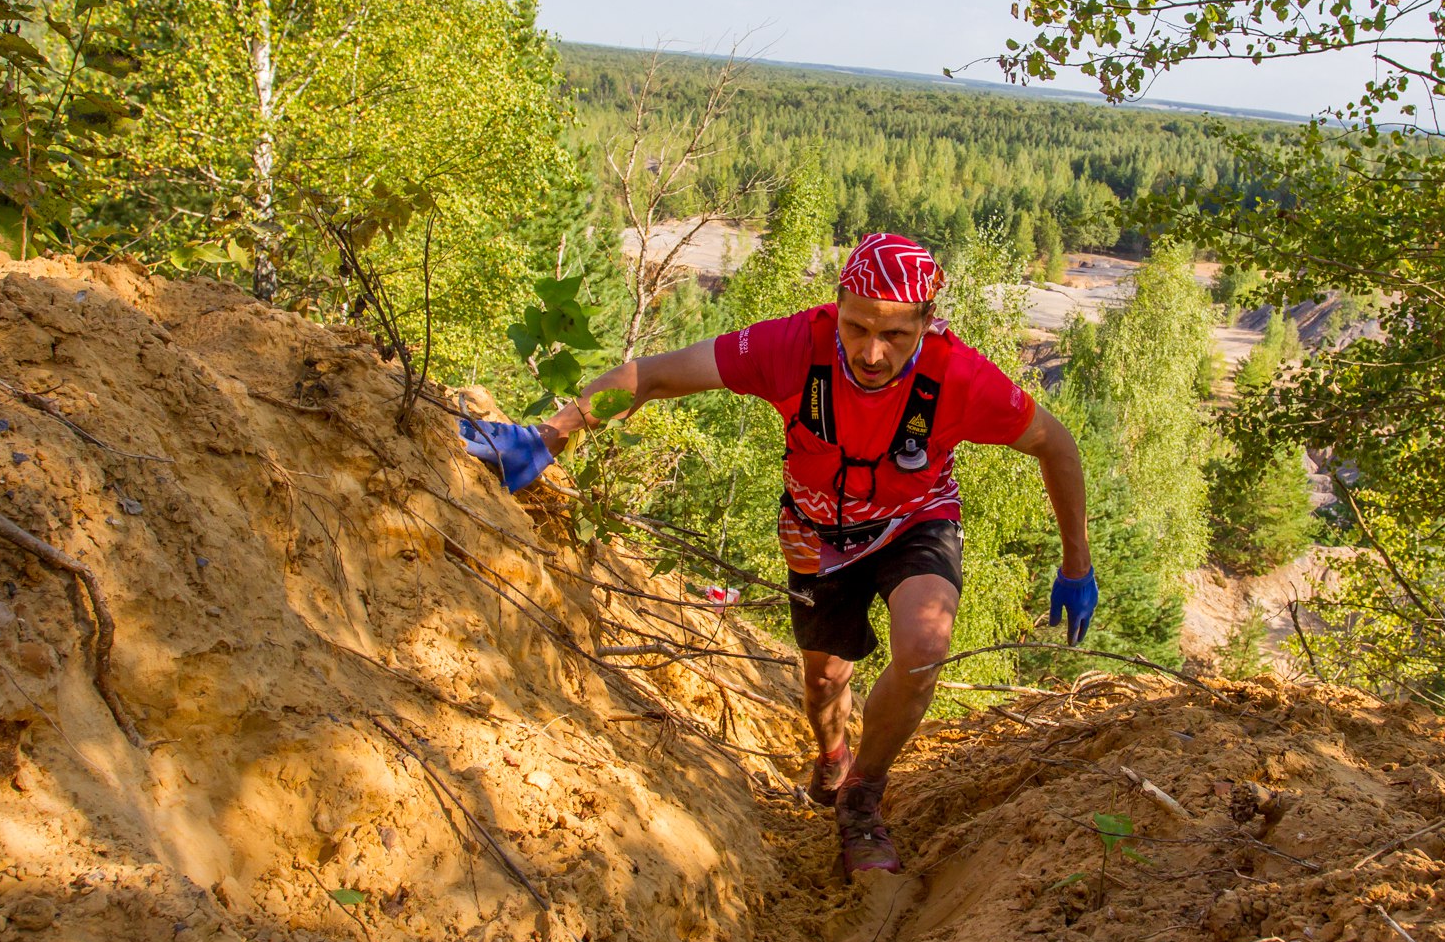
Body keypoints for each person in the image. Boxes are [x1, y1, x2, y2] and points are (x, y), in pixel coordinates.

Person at [461, 232, 1098, 879]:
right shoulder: (792, 347)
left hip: (917, 519)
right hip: (816, 533)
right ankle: (832, 756)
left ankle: (862, 798)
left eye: (897, 336)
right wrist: (548, 436)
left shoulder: (961, 377)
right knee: (824, 681)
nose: (873, 353)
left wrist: (1076, 562)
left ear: (929, 325)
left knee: (924, 645)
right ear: (837, 306)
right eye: (857, 327)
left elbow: (1057, 444)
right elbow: (651, 375)